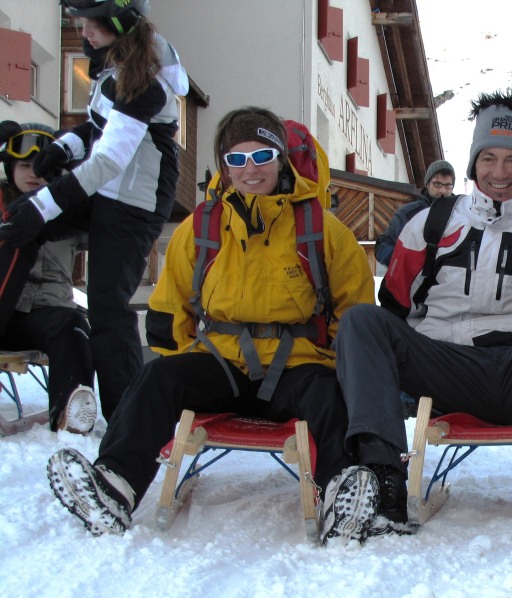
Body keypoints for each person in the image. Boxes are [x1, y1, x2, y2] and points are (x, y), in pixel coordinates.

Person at [46, 107, 374, 539]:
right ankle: (115, 487)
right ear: (223, 166)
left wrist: (331, 359)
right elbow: (170, 308)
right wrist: (186, 362)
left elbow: (354, 310)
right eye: (236, 160)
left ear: (282, 159)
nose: (250, 170)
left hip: (298, 363)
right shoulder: (202, 227)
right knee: (159, 378)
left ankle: (341, 496)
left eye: (261, 157)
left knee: (330, 397)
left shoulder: (324, 231)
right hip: (222, 362)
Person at [328, 88, 512, 544]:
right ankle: (382, 479)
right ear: (472, 164)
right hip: (448, 369)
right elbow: (394, 307)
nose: (500, 172)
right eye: (488, 158)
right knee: (361, 322)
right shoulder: (429, 225)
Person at [0, 0, 187, 423]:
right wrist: (63, 146)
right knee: (20, 225)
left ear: (117, 24)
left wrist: (46, 205)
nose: (82, 33)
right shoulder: (116, 68)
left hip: (134, 203)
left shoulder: (144, 81)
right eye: (78, 24)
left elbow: (109, 161)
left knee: (107, 309)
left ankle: (129, 420)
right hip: (108, 190)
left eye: (90, 25)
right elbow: (98, 127)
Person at [0, 122, 97, 433]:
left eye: (42, 167)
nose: (33, 174)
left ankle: (72, 411)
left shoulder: (69, 213)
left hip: (45, 314)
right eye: (25, 165)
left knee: (74, 325)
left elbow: (105, 224)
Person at [374, 159, 456, 267]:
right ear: (427, 184)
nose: (443, 191)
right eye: (437, 184)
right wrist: (404, 261)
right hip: (412, 281)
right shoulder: (408, 214)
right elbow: (382, 246)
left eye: (448, 185)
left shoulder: (459, 216)